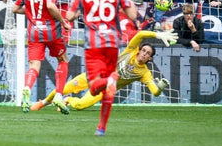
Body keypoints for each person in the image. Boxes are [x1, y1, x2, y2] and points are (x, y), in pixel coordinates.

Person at [66, 0, 137, 136]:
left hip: (93, 43)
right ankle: (101, 127)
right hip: (112, 42)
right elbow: (133, 14)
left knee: (94, 86)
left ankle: (110, 81)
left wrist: (82, 12)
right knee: (106, 87)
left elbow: (69, 16)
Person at [31, 30, 177, 111]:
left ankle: (68, 100)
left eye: (148, 54)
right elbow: (139, 35)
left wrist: (160, 88)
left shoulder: (144, 73)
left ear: (149, 59)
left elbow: (154, 92)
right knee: (62, 88)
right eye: (143, 50)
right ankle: (42, 103)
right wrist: (158, 35)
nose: (144, 53)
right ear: (139, 50)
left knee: (81, 105)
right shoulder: (131, 50)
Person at [12, 0, 71, 114]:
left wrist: (31, 12)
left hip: (34, 32)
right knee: (63, 60)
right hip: (51, 32)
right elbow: (51, 6)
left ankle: (26, 89)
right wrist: (63, 21)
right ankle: (58, 95)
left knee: (34, 65)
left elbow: (15, 8)